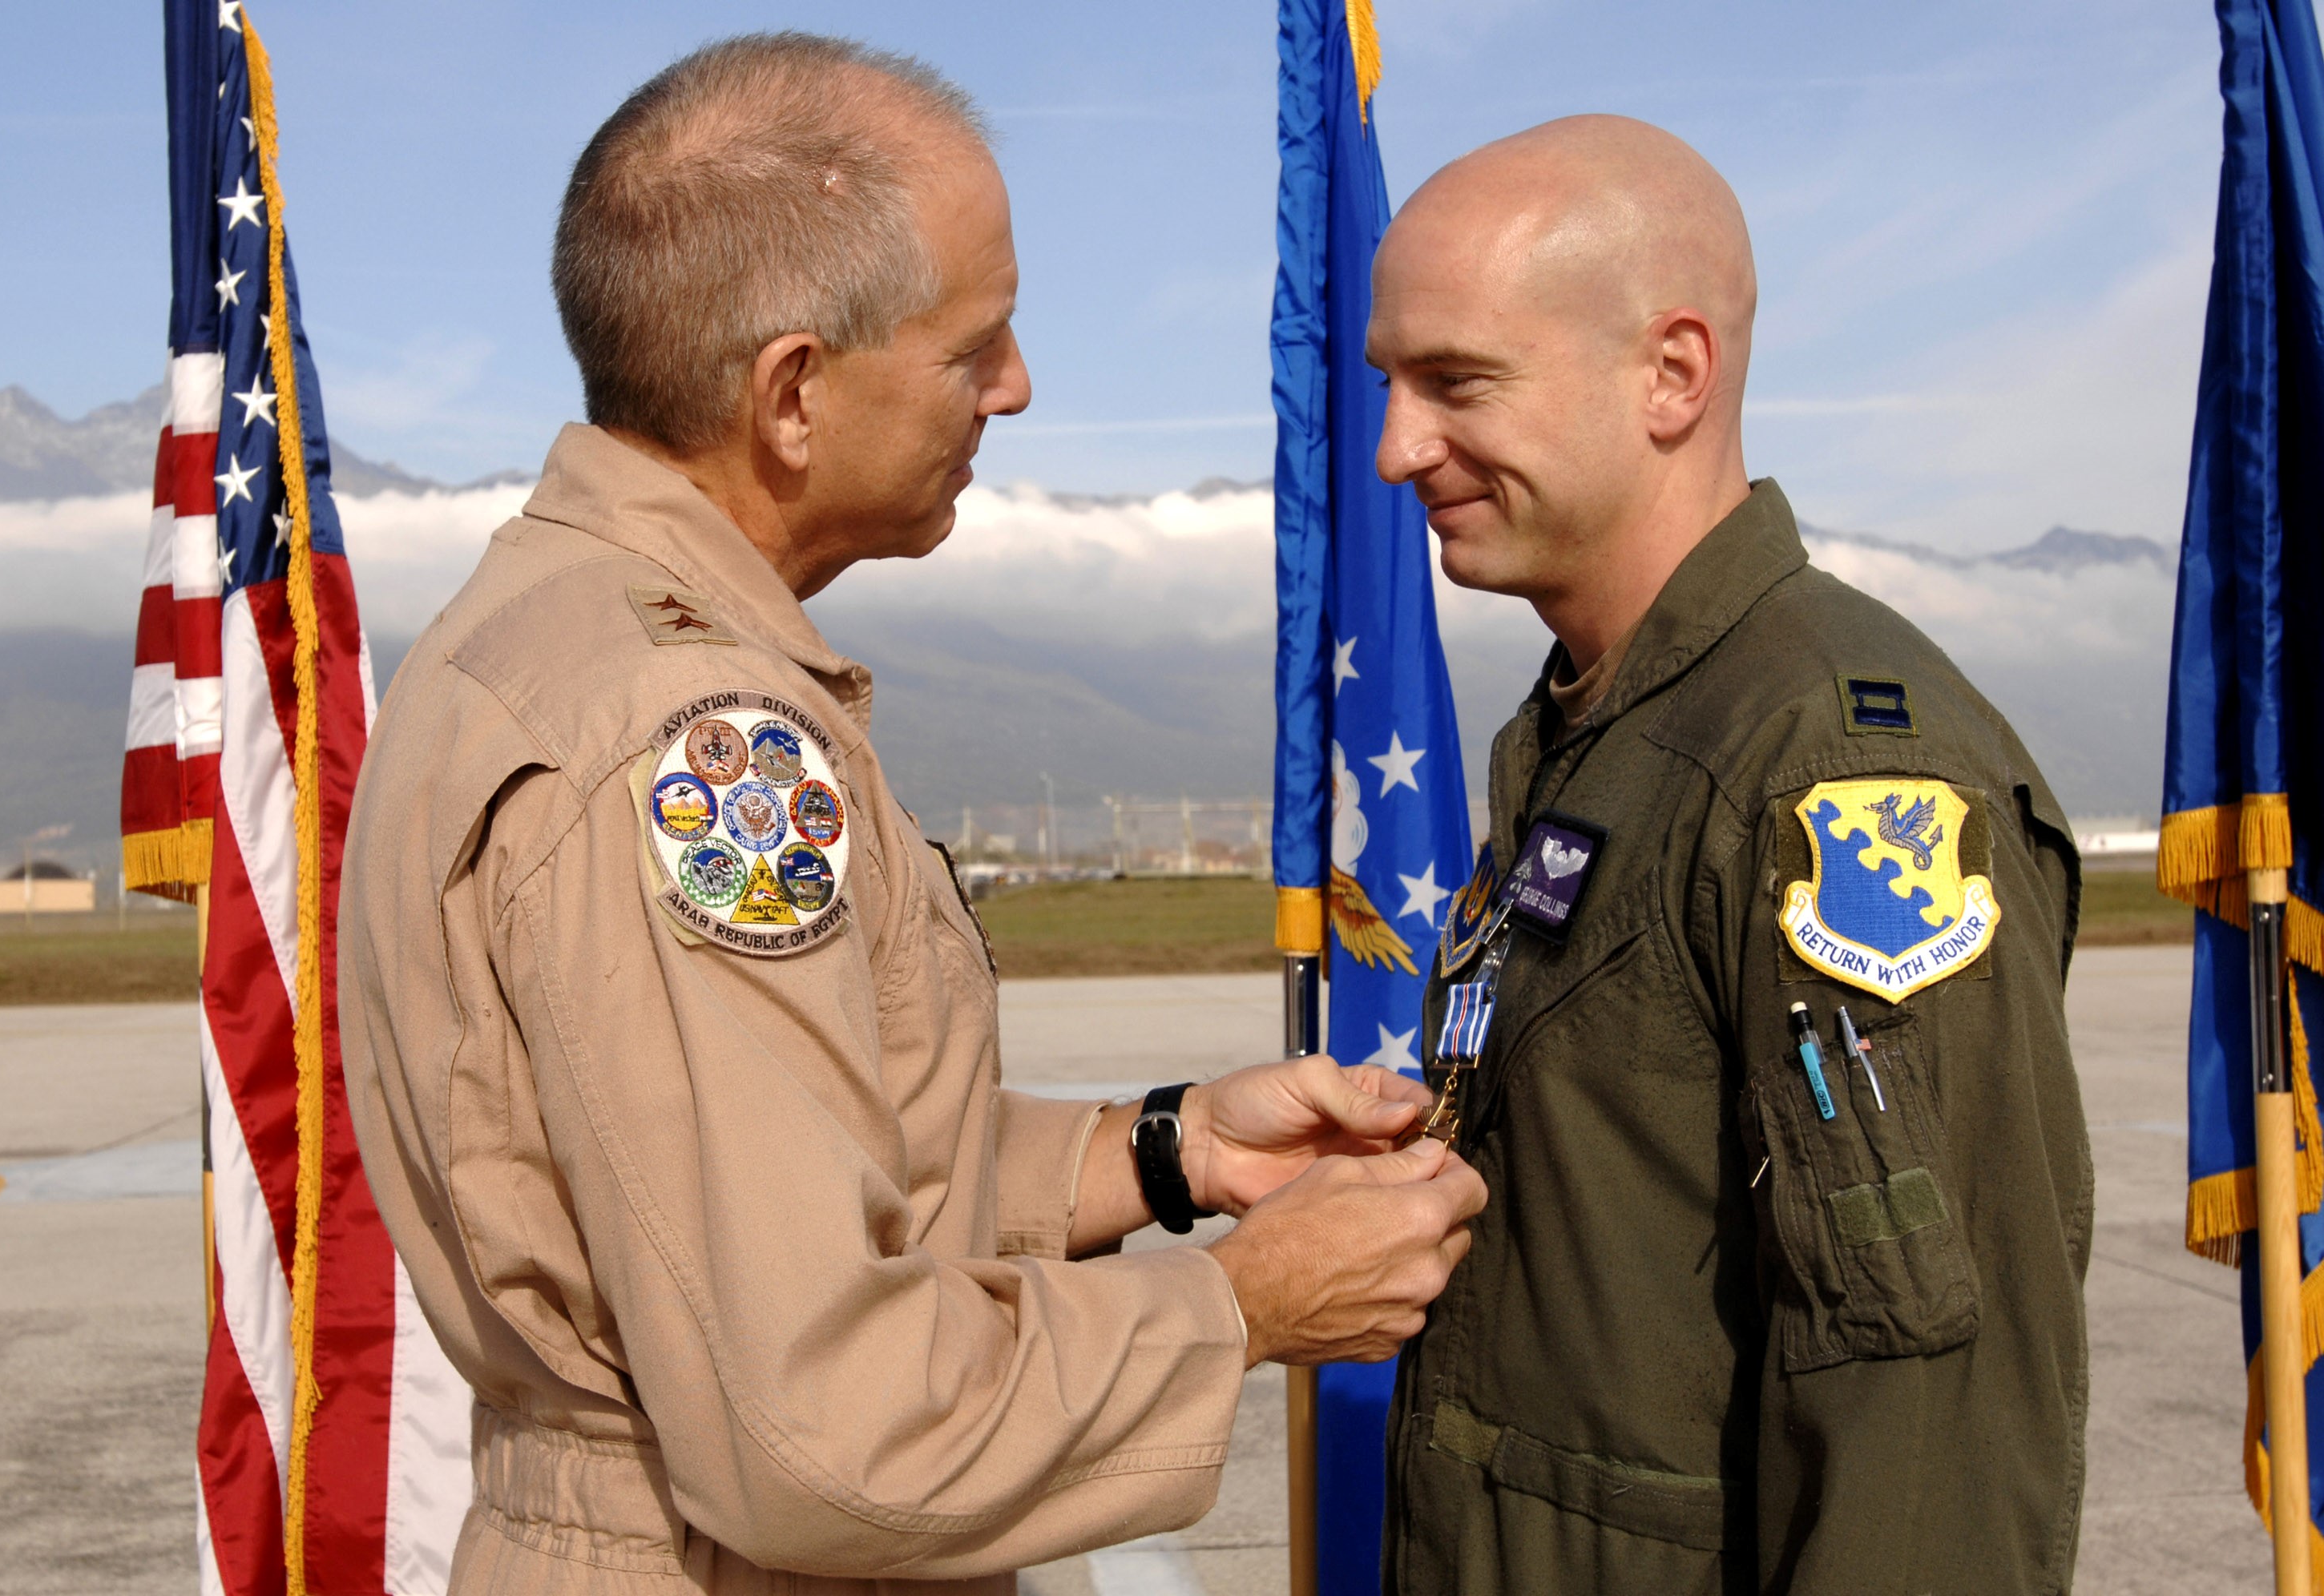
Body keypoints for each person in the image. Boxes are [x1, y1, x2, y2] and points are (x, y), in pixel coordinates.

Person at [336, 32, 1488, 1596]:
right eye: (974, 347)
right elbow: (825, 1431)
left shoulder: (545, 630)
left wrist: (1171, 1152)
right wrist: (1243, 1306)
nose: (1015, 389)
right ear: (794, 394)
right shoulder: (688, 738)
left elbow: (769, 1174)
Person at [1366, 116, 2091, 1593]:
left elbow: (1922, 1419)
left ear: (1672, 374)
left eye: (1456, 383)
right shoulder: (1604, 729)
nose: (1397, 448)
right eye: (1391, 385)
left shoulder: (1835, 769)